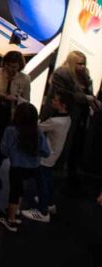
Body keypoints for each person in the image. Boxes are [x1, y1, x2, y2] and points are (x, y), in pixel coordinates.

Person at [41, 50, 99, 181]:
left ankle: (63, 170)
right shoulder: (61, 73)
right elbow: (63, 94)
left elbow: (88, 91)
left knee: (72, 143)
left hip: (78, 115)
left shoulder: (85, 75)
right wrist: (85, 98)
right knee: (58, 143)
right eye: (79, 64)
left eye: (84, 63)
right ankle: (51, 170)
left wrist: (93, 100)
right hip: (61, 113)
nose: (83, 66)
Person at [0, 102, 50, 232]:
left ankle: (10, 220)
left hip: (17, 167)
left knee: (14, 192)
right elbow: (46, 152)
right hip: (34, 167)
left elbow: (3, 150)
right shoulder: (37, 132)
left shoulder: (10, 131)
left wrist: (12, 153)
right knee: (20, 190)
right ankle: (16, 212)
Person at [0, 51, 30, 186]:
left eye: (14, 67)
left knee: (3, 146)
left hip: (10, 116)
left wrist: (17, 99)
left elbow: (27, 101)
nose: (10, 69)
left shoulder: (25, 80)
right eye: (8, 66)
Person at [22, 92, 71, 222]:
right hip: (55, 153)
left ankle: (43, 212)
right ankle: (49, 203)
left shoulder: (55, 121)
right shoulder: (67, 119)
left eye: (55, 100)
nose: (53, 101)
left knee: (42, 182)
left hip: (46, 155)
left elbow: (38, 128)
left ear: (63, 105)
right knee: (48, 179)